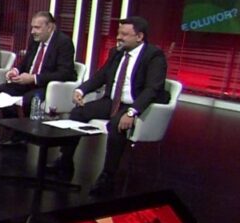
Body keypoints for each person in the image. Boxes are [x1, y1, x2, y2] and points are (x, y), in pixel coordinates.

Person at [48, 16, 170, 196]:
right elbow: (101, 76)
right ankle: (65, 160)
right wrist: (82, 90)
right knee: (78, 113)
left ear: (139, 37)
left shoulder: (154, 56)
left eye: (124, 34)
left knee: (116, 125)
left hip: (134, 103)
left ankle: (108, 176)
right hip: (112, 102)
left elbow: (152, 89)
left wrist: (132, 112)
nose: (119, 37)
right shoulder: (117, 52)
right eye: (119, 33)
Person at [0, 11, 76, 145]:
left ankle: (30, 136)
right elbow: (26, 62)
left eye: (37, 28)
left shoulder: (63, 42)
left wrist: (34, 78)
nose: (33, 31)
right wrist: (15, 71)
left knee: (31, 98)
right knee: (3, 89)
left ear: (50, 27)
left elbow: (65, 73)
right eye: (32, 27)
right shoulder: (34, 40)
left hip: (47, 86)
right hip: (29, 82)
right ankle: (16, 132)